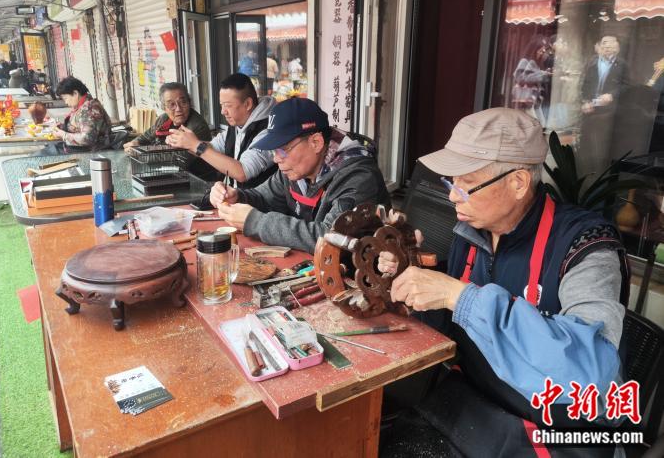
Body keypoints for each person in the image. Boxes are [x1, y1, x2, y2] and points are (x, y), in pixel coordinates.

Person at [377, 108, 629, 458]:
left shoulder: (586, 246)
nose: (452, 196)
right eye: (451, 183)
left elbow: (590, 373)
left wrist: (462, 298)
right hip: (476, 405)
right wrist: (413, 277)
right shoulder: (472, 232)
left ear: (518, 182)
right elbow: (449, 327)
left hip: (557, 430)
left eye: (466, 185)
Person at [208, 97, 390, 254]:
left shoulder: (358, 176)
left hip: (353, 275)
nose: (276, 158)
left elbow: (331, 238)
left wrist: (256, 222)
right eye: (273, 150)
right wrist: (236, 196)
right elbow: (263, 197)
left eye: (282, 149)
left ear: (316, 142)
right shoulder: (295, 170)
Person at [165, 73, 277, 190]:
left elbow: (243, 172)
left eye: (228, 105)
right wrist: (184, 142)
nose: (223, 111)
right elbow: (213, 147)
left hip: (260, 200)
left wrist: (195, 145)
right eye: (221, 105)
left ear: (248, 104)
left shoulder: (269, 129)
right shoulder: (237, 123)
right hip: (236, 195)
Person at [578, 35, 630, 175]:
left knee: (603, 143)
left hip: (608, 112)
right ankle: (583, 171)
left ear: (618, 47)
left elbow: (627, 86)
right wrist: (585, 101)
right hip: (589, 109)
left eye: (611, 43)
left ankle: (601, 172)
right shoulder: (592, 62)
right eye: (605, 43)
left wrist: (612, 95)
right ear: (600, 46)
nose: (607, 46)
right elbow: (584, 85)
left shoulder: (622, 65)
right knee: (585, 141)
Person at [43, 76, 112, 154]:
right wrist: (62, 127)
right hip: (81, 149)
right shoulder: (84, 105)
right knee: (47, 149)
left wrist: (64, 135)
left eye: (65, 98)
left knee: (42, 155)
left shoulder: (89, 109)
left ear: (75, 93)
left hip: (91, 152)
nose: (66, 102)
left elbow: (87, 138)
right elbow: (80, 126)